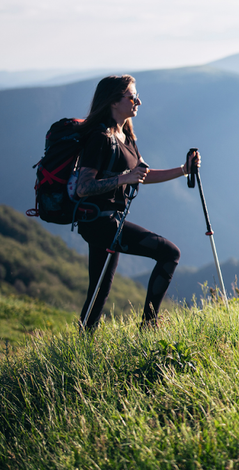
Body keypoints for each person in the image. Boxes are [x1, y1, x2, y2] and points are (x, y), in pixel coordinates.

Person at [74, 74, 200, 331]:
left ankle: (83, 344)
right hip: (99, 221)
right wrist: (123, 178)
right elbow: (83, 187)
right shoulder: (100, 138)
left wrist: (183, 169)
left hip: (110, 221)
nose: (138, 101)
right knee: (169, 253)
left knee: (100, 289)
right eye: (132, 96)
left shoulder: (125, 136)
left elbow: (143, 175)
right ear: (113, 101)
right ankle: (148, 326)